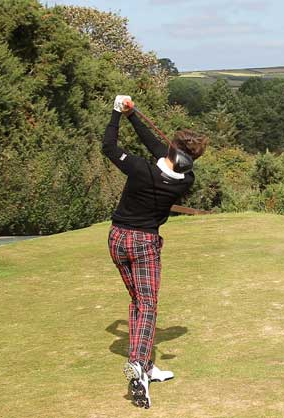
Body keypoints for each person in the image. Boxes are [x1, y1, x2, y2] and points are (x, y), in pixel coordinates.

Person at [101, 96, 207, 409]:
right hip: (144, 243)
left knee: (138, 302)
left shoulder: (138, 169)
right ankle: (137, 363)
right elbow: (158, 148)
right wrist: (134, 115)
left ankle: (146, 367)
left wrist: (117, 113)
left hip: (118, 239)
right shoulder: (185, 179)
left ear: (173, 151)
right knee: (147, 304)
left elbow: (109, 145)